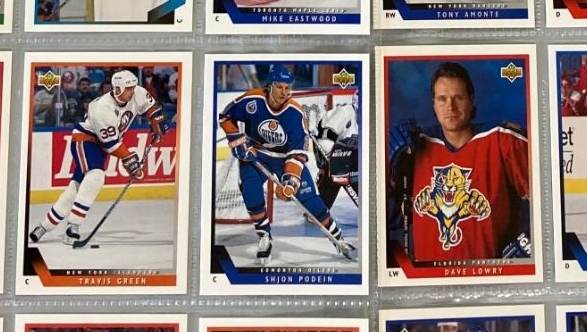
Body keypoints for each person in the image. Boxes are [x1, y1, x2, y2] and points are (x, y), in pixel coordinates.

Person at [389, 61, 530, 265]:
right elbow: (390, 217)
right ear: (434, 104)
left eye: (458, 98)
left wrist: (530, 240)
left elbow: (549, 193)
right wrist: (388, 173)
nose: (450, 107)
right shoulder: (414, 146)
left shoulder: (502, 139)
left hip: (490, 274)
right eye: (442, 99)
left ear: (471, 100)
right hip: (428, 276)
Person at [217, 62, 354, 264]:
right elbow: (225, 116)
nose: (284, 92)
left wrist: (291, 181)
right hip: (256, 155)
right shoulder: (252, 100)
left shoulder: (295, 114)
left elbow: (297, 154)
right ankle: (264, 236)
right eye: (279, 87)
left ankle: (337, 237)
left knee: (311, 201)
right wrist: (236, 139)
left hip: (285, 159)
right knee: (250, 190)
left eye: (287, 88)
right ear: (270, 86)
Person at [30, 68, 163, 248]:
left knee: (77, 186)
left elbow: (150, 108)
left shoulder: (137, 93)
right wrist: (131, 161)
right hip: (86, 139)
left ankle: (44, 226)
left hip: (103, 144)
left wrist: (156, 121)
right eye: (128, 88)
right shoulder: (101, 108)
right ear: (117, 89)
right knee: (96, 176)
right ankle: (73, 226)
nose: (132, 91)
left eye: (133, 87)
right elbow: (111, 145)